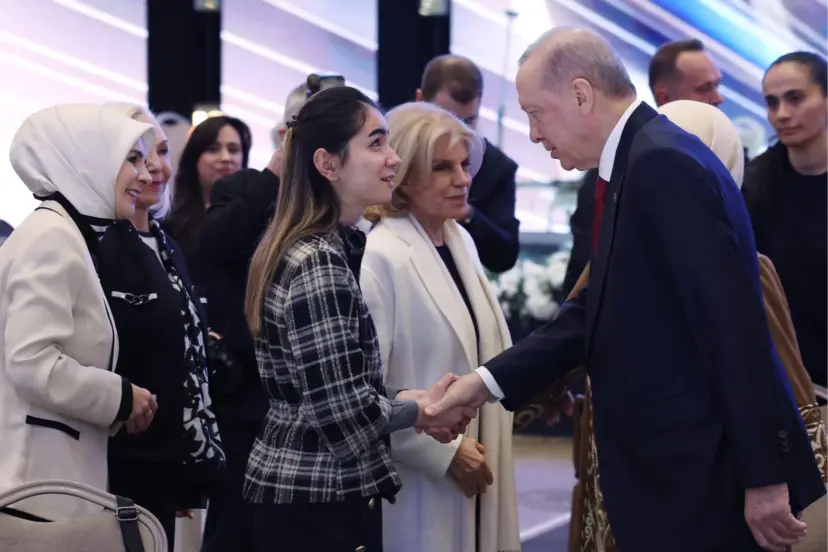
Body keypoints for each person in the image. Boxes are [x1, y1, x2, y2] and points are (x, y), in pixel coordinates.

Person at [425, 28, 825, 552]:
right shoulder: (642, 158)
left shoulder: (660, 164)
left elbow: (733, 329)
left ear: (581, 94)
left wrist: (765, 478)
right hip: (675, 481)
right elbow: (594, 309)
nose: (535, 133)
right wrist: (482, 384)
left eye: (536, 113)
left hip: (696, 485)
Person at [567, 99, 828, 552]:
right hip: (667, 473)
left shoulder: (735, 264)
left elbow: (766, 367)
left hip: (667, 472)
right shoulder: (626, 255)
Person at [241, 86, 475, 551]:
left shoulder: (326, 247)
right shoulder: (318, 261)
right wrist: (423, 410)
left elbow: (335, 389)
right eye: (376, 143)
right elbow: (343, 414)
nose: (393, 158)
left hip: (310, 493)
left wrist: (409, 400)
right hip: (317, 498)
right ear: (328, 165)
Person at [361, 101, 520, 552]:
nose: (463, 179)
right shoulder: (380, 255)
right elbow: (365, 388)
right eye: (443, 167)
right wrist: (442, 453)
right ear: (405, 176)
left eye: (465, 165)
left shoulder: (459, 239)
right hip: (419, 477)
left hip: (482, 453)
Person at [0, 104, 158, 520]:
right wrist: (119, 397)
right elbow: (31, 361)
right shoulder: (52, 238)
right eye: (132, 158)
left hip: (48, 481)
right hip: (37, 487)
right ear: (88, 158)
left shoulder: (64, 234)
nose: (146, 175)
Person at [99, 103, 224, 550]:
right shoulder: (98, 246)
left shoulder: (166, 243)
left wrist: (186, 462)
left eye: (162, 151)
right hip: (118, 466)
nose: (155, 167)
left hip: (168, 461)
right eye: (136, 154)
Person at [563, 38, 724, 296]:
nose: (718, 98)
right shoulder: (611, 170)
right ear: (663, 97)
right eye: (704, 88)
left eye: (717, 85)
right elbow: (584, 276)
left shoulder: (737, 164)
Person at [742, 52, 828, 399]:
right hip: (789, 384)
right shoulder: (754, 186)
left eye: (795, 98)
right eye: (772, 102)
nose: (782, 114)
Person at [417, 54, 520, 273]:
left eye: (468, 122)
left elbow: (505, 256)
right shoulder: (391, 153)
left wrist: (467, 214)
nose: (458, 133)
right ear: (420, 100)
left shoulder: (497, 167)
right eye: (445, 118)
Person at [166, 115, 252, 289]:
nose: (225, 158)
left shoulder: (256, 213)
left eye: (233, 150)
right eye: (213, 149)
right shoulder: (171, 219)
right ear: (194, 157)